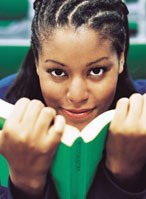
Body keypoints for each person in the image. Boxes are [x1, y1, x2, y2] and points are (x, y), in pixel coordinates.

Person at [0, 0, 146, 198]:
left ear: (121, 58)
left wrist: (127, 176)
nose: (76, 96)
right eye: (57, 72)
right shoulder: (4, 103)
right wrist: (25, 183)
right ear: (36, 62)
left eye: (96, 71)